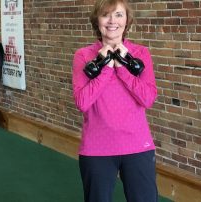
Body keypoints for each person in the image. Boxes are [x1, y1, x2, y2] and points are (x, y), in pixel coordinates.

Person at [72, 0, 158, 201]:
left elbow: (147, 99)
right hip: (96, 147)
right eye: (106, 15)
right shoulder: (83, 56)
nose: (112, 21)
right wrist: (106, 67)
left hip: (137, 144)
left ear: (126, 20)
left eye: (118, 15)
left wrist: (122, 67)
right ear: (97, 20)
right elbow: (82, 102)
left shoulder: (140, 54)